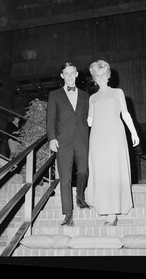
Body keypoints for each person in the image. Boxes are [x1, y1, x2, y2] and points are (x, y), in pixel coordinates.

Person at [86, 60, 140, 226]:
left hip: (115, 135)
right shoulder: (92, 98)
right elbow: (89, 122)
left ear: (108, 75)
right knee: (101, 172)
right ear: (94, 78)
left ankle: (112, 213)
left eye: (103, 74)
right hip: (97, 137)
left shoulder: (118, 92)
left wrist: (134, 132)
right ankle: (104, 206)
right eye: (97, 75)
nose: (101, 78)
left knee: (114, 170)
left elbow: (125, 114)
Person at [46, 62, 90, 226]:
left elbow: (89, 117)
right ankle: (68, 214)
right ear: (62, 76)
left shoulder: (86, 96)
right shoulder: (54, 95)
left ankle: (80, 196)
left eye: (73, 73)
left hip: (82, 138)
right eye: (67, 73)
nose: (70, 76)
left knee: (84, 170)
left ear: (77, 74)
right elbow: (50, 119)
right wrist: (52, 138)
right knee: (65, 177)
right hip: (62, 140)